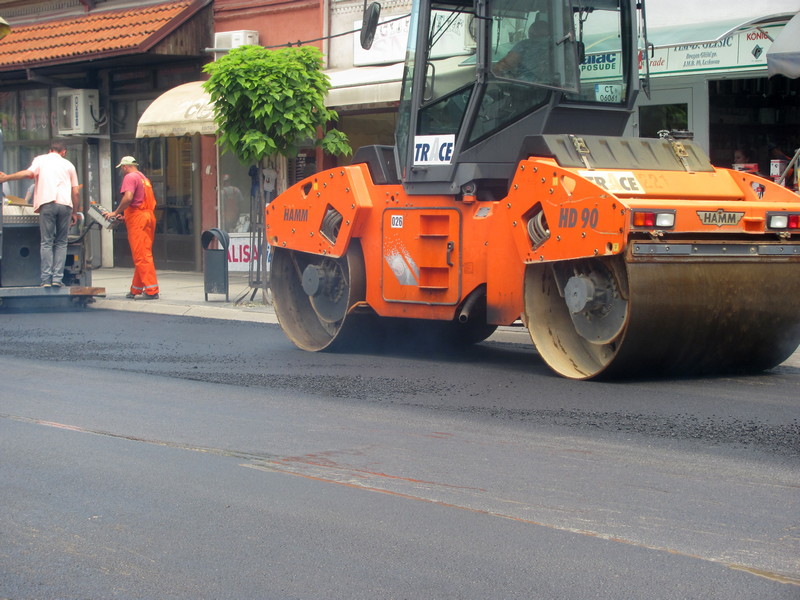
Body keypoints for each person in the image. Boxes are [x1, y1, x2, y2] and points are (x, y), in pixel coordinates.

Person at [0, 141, 80, 287]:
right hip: (65, 206)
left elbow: (28, 174)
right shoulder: (69, 165)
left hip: (47, 205)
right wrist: (75, 212)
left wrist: (7, 178)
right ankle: (57, 279)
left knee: (46, 242)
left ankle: (46, 280)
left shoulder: (40, 160)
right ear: (64, 152)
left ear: (50, 150)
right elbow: (76, 192)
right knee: (61, 243)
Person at [106, 156, 159, 299]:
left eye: (122, 168)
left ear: (124, 167)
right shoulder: (144, 179)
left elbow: (128, 198)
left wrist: (116, 212)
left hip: (138, 219)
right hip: (148, 217)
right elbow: (140, 201)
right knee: (142, 253)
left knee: (141, 256)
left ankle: (152, 290)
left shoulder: (130, 177)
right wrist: (125, 217)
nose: (122, 171)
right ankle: (136, 289)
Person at [493, 19, 552, 83]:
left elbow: (507, 63)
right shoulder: (556, 46)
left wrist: (494, 72)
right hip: (550, 84)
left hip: (526, 84)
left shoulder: (525, 45)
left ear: (531, 33)